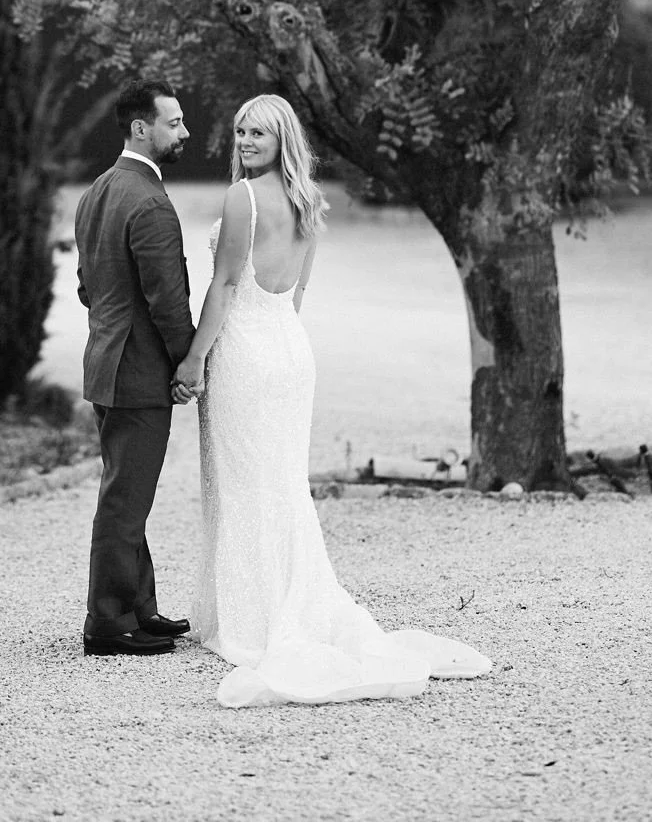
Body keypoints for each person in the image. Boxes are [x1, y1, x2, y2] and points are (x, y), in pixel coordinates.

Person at [173, 93, 493, 707]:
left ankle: (254, 620)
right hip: (290, 351)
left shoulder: (242, 198)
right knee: (280, 481)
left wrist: (194, 359)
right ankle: (268, 603)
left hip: (247, 352)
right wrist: (269, 340)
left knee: (248, 482)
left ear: (282, 141)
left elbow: (223, 287)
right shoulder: (306, 201)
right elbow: (295, 295)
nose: (244, 142)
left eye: (258, 134)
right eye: (240, 130)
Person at [75, 78, 196, 657]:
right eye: (174, 123)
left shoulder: (98, 191)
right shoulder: (148, 201)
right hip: (137, 372)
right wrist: (188, 362)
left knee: (129, 493)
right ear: (140, 128)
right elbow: (167, 302)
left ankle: (139, 607)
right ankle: (107, 622)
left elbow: (87, 288)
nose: (185, 132)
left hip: (106, 363)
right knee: (124, 500)